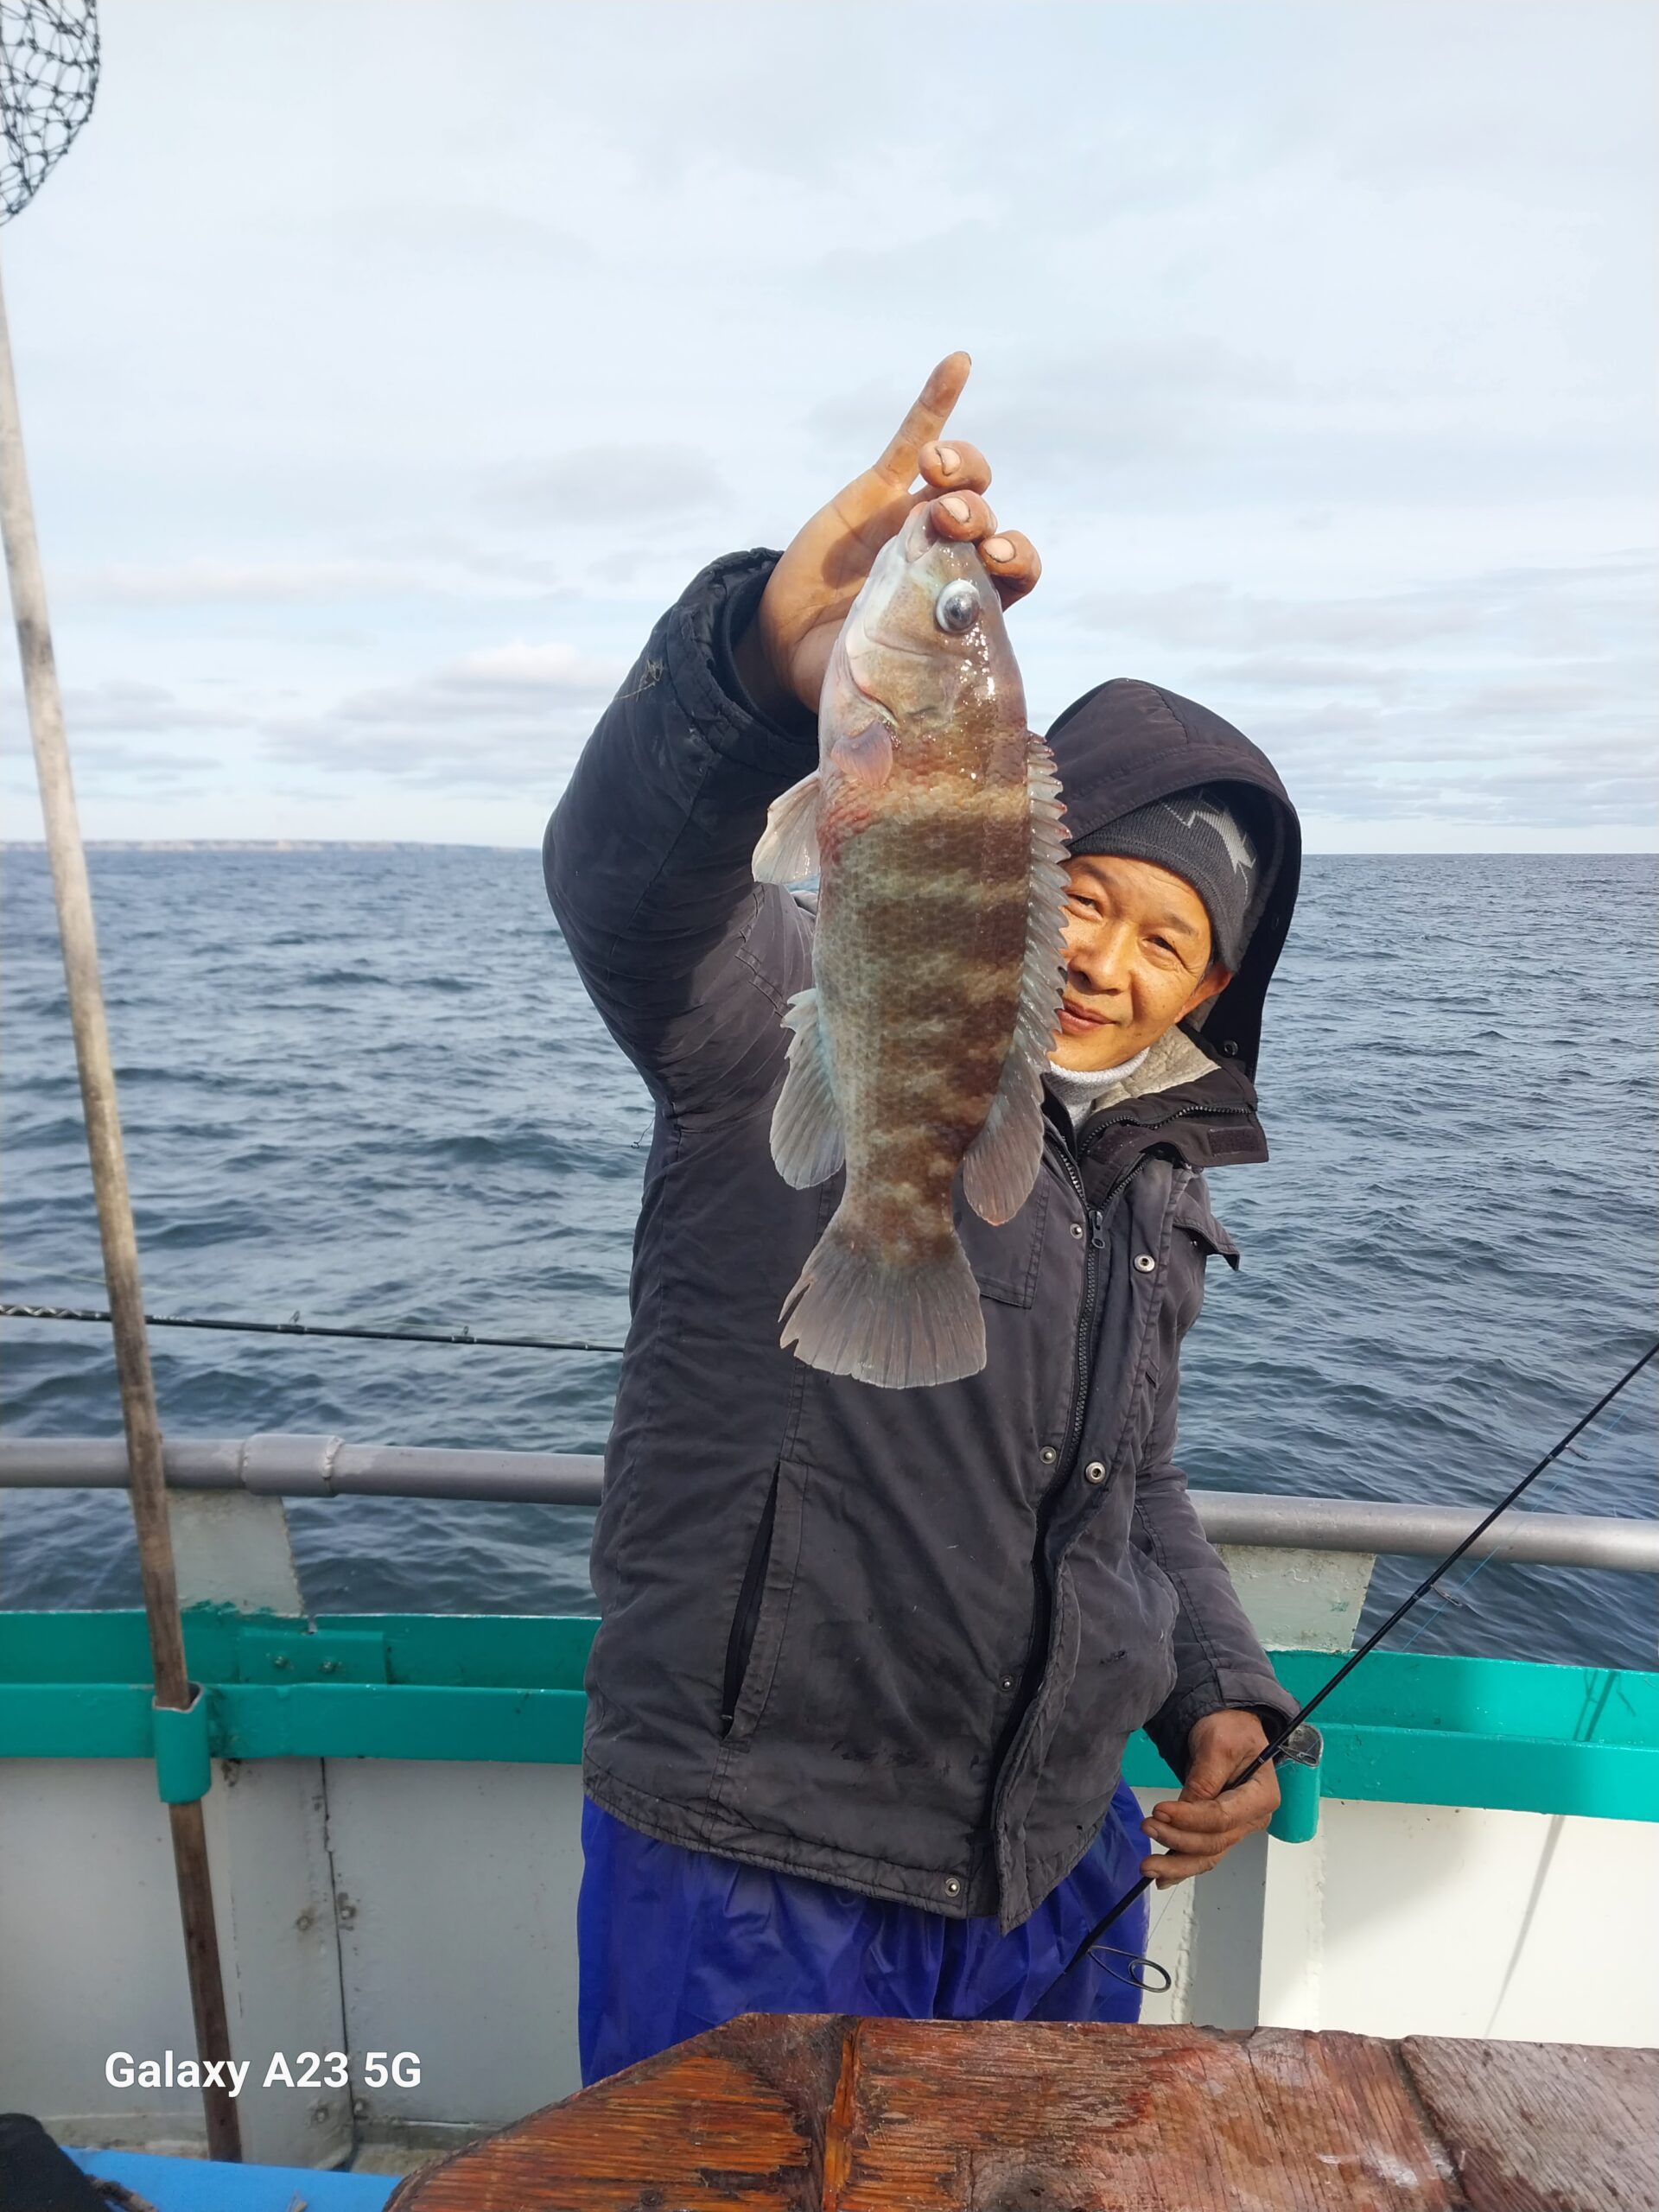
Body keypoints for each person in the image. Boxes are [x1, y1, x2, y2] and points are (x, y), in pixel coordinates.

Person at [544, 355, 1303, 2084]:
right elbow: (622, 889)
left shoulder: (1152, 1180)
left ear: (1216, 983)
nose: (1108, 957)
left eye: (1168, 938)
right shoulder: (779, 1012)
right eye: (1088, 896)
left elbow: (1135, 1482)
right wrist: (747, 666)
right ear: (1023, 858)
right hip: (760, 1849)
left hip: (1051, 1866)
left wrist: (1220, 1691)